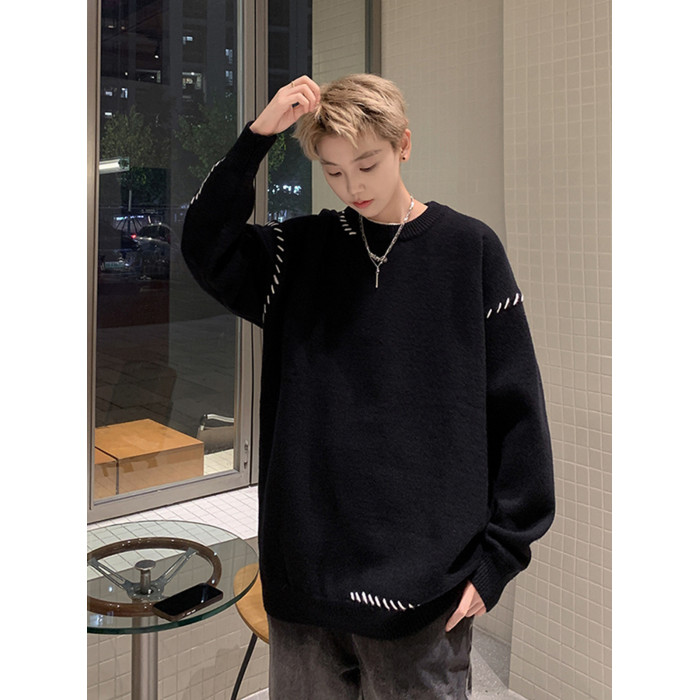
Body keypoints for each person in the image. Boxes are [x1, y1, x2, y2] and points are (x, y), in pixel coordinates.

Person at [182, 73, 555, 699]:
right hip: (306, 585)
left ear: (403, 145)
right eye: (333, 171)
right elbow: (204, 243)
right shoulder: (301, 254)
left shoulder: (469, 251)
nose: (352, 186)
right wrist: (258, 136)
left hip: (425, 592)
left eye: (367, 165)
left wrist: (498, 561)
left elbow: (517, 411)